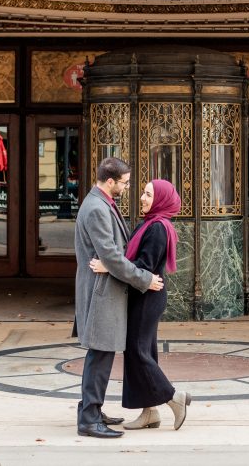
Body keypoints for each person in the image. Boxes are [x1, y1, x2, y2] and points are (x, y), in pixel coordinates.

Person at [90, 179, 192, 431]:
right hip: (142, 296)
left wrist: (109, 267)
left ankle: (173, 398)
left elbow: (144, 268)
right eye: (143, 193)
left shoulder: (158, 228)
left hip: (146, 298)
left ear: (160, 200)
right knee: (143, 352)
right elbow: (132, 260)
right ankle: (149, 413)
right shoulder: (149, 223)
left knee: (137, 351)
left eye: (148, 194)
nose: (143, 198)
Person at [74, 157, 164, 439]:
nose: (127, 188)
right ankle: (89, 418)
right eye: (124, 183)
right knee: (99, 354)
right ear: (110, 181)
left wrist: (114, 264)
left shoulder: (101, 203)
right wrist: (145, 279)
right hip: (102, 293)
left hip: (105, 289)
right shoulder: (97, 209)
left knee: (101, 353)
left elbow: (112, 256)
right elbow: (111, 256)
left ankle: (92, 410)